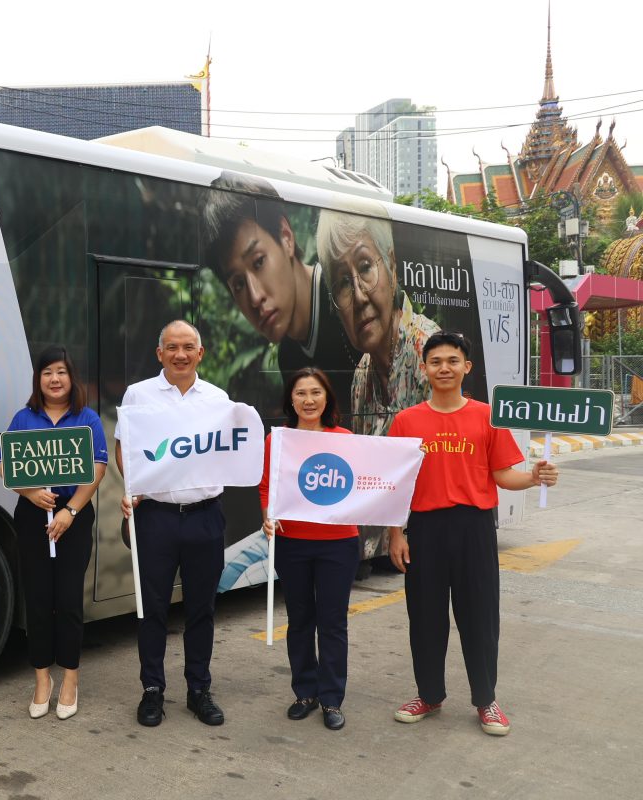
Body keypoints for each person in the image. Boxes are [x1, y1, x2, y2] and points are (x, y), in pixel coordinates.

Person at [386, 331, 558, 736]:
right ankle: (429, 695)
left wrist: (534, 477)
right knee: (425, 618)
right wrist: (396, 534)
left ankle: (486, 699)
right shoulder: (407, 421)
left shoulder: (486, 416)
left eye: (452, 361)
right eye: (435, 361)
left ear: (467, 367)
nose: (444, 368)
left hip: (474, 527)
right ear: (424, 368)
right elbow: (396, 485)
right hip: (425, 529)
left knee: (479, 617)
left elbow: (503, 475)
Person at [116, 320, 229, 728]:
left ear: (200, 353)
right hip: (156, 519)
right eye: (172, 347)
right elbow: (124, 448)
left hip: (205, 516)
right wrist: (134, 486)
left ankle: (199, 690)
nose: (180, 354)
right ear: (159, 353)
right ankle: (152, 690)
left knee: (202, 610)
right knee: (152, 610)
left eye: (188, 347)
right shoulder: (138, 394)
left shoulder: (218, 398)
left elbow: (227, 451)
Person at [1, 346, 107, 721]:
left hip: (72, 518)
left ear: (71, 377)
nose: (55, 379)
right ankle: (42, 679)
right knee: (38, 600)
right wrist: (30, 493)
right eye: (47, 372)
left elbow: (97, 468)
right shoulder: (23, 418)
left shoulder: (87, 418)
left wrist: (70, 511)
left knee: (69, 600)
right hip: (33, 517)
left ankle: (70, 679)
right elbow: (5, 466)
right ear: (39, 379)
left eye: (61, 371)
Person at [258, 367, 359, 731]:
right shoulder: (278, 440)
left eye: (316, 392)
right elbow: (266, 487)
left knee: (333, 623)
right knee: (300, 621)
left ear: (327, 397)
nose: (309, 400)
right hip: (292, 544)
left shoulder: (346, 439)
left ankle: (331, 699)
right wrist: (268, 517)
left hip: (339, 544)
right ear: (291, 399)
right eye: (301, 393)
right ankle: (305, 692)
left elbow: (361, 485)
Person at [203, 174, 358, 387]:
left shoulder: (347, 303)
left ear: (286, 237)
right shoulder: (288, 357)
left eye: (259, 262)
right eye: (238, 284)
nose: (255, 297)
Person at [316, 208, 439, 436]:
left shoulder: (429, 353)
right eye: (343, 283)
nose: (359, 297)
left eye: (365, 267)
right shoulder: (361, 377)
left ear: (392, 266)